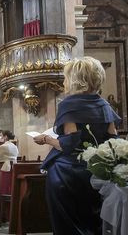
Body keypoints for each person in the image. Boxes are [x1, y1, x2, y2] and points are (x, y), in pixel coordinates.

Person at [33, 56, 121, 235]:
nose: (64, 82)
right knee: (93, 221)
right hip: (97, 171)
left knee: (68, 225)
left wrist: (46, 139)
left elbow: (69, 144)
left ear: (76, 80)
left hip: (68, 173)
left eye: (66, 77)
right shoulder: (104, 104)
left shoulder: (69, 104)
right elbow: (113, 140)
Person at [0, 130, 18, 196]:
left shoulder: (2, 147)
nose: (0, 137)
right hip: (14, 168)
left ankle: (2, 205)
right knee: (11, 188)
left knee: (3, 189)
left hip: (5, 168)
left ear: (5, 137)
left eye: (1, 135)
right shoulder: (15, 146)